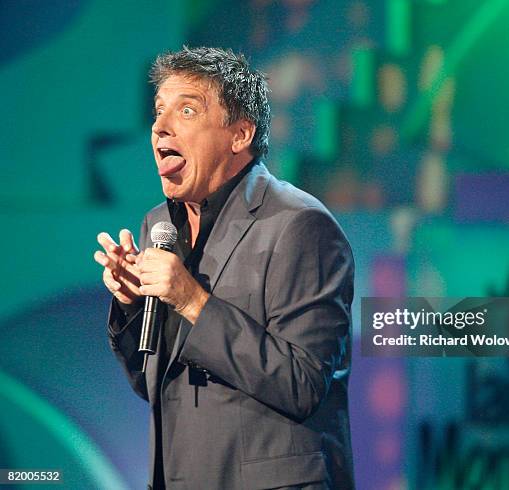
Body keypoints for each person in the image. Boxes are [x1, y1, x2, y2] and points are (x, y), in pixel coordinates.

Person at [94, 46, 355, 490]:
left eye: (187, 109)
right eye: (159, 112)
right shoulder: (159, 225)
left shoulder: (299, 225)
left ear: (239, 135)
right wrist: (133, 304)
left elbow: (304, 383)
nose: (160, 126)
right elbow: (155, 384)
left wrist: (193, 301)